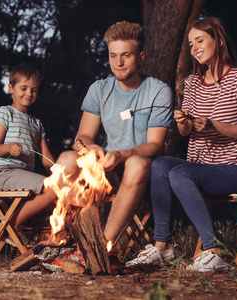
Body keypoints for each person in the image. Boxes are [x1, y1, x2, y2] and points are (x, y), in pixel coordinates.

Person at [126, 17, 237, 271]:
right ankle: (163, 246)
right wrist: (183, 121)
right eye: (190, 43)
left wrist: (213, 125)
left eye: (200, 40)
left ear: (218, 41)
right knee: (161, 165)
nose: (194, 47)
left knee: (180, 171)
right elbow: (185, 131)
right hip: (201, 167)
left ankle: (214, 251)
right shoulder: (192, 83)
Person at [56, 21, 174, 257]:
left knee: (136, 163)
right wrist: (91, 148)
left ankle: (101, 247)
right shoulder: (100, 89)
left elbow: (155, 145)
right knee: (67, 159)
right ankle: (63, 238)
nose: (118, 63)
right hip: (108, 166)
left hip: (141, 170)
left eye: (126, 56)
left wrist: (123, 154)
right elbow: (83, 136)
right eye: (113, 56)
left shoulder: (158, 91)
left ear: (140, 57)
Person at [0, 63, 57, 246]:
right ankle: (11, 227)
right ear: (11, 88)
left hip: (24, 175)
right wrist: (8, 147)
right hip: (3, 172)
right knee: (52, 189)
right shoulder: (6, 113)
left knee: (62, 190)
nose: (29, 94)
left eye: (34, 90)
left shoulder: (37, 124)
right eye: (23, 88)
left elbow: (46, 160)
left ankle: (22, 225)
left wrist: (61, 172)